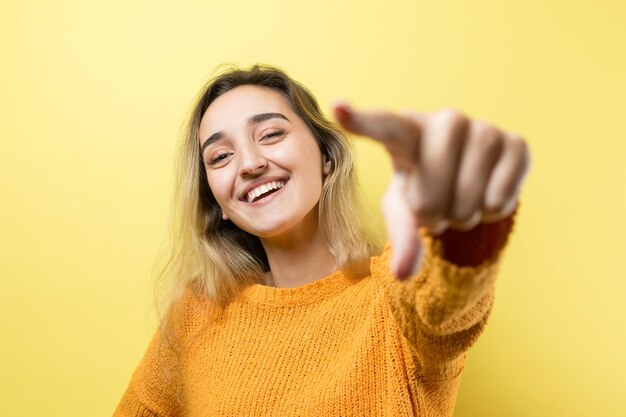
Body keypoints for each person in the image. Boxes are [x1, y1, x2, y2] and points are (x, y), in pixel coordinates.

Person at [113, 65, 530, 416]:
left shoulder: (392, 298)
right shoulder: (198, 311)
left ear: (326, 157)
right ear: (216, 200)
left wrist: (462, 221)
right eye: (220, 156)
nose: (251, 163)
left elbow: (447, 300)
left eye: (271, 134)